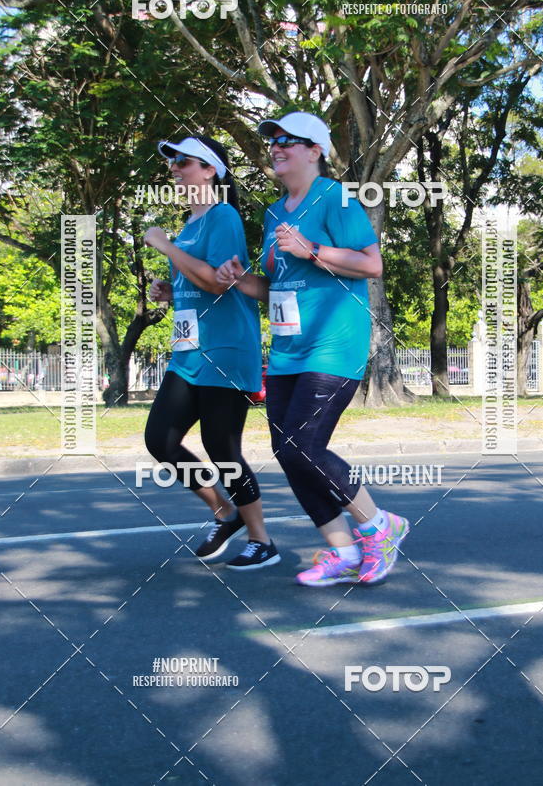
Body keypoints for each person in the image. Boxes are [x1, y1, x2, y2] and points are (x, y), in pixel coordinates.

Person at [216, 112, 409, 586]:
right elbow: (275, 285)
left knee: (304, 445)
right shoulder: (273, 212)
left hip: (333, 345)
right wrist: (242, 280)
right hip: (287, 350)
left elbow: (371, 264)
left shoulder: (337, 198)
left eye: (288, 140)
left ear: (315, 150)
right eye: (273, 141)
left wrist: (312, 249)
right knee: (287, 451)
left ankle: (378, 527)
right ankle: (341, 552)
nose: (276, 147)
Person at [143, 134, 280, 570]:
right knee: (160, 440)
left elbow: (219, 283)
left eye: (183, 162)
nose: (174, 170)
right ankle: (224, 511)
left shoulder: (223, 217)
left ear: (209, 170)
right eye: (173, 164)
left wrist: (165, 247)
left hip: (225, 349)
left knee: (222, 448)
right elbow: (194, 280)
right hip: (188, 351)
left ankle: (262, 538)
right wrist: (169, 290)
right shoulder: (187, 225)